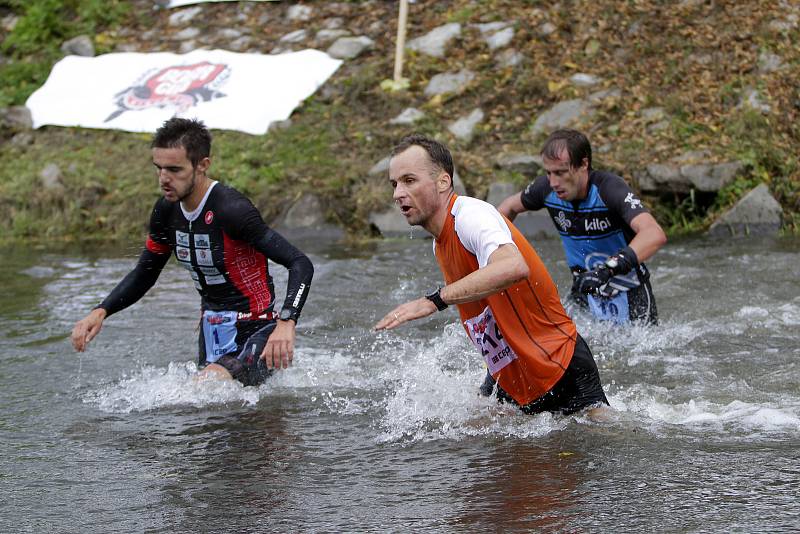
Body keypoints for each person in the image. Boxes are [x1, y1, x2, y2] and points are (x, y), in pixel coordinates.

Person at [374, 134, 608, 415]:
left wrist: (433, 301)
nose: (398, 193)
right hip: (513, 374)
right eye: (394, 184)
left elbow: (513, 266)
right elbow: (486, 314)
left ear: (443, 182)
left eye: (409, 181)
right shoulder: (440, 243)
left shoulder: (470, 215)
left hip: (558, 364)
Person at [71, 118, 313, 386]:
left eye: (174, 169)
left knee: (203, 390)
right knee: (209, 419)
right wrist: (102, 310)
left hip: (258, 331)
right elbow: (145, 272)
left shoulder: (232, 210)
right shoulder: (166, 211)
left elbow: (300, 263)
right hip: (211, 332)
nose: (164, 179)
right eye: (159, 168)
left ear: (202, 165)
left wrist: (287, 322)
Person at [497, 129, 667, 325]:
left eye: (560, 172)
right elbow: (506, 209)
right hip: (584, 292)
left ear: (583, 164)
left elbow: (654, 234)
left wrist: (608, 269)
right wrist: (495, 251)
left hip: (630, 294)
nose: (553, 182)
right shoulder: (545, 189)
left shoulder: (609, 189)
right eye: (548, 172)